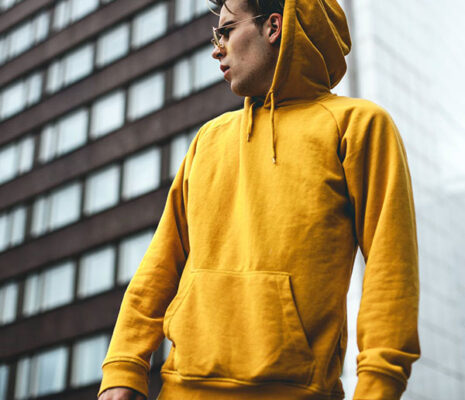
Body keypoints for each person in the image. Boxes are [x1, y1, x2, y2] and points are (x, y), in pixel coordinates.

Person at [98, 0, 420, 399]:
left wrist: (378, 386)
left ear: (273, 27)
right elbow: (160, 264)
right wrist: (123, 367)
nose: (217, 49)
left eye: (227, 31)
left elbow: (392, 267)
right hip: (181, 390)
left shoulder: (357, 126)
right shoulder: (208, 140)